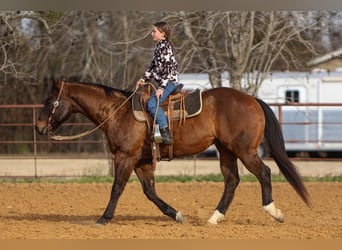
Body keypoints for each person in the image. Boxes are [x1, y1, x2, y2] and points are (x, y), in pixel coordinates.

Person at [136, 21, 179, 144]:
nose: (151, 34)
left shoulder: (165, 48)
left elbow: (168, 70)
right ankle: (164, 122)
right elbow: (152, 67)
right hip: (165, 82)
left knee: (152, 103)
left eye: (154, 31)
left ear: (163, 34)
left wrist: (161, 87)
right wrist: (143, 79)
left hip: (170, 82)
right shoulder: (159, 47)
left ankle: (165, 133)